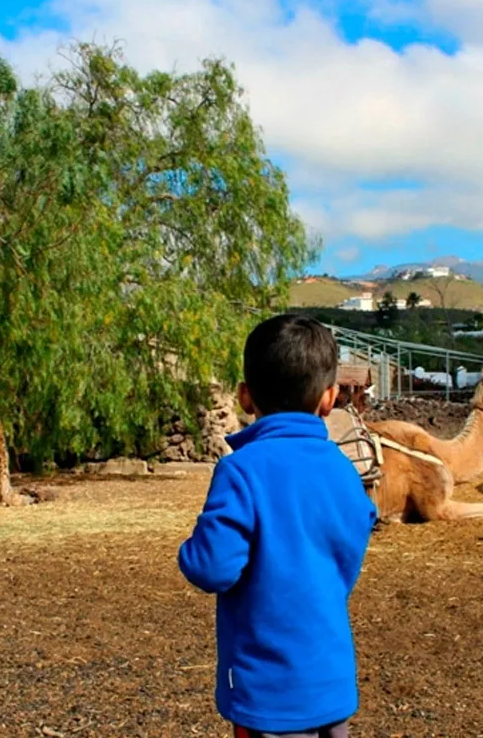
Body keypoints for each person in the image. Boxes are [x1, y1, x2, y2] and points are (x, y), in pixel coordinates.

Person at [178, 313, 378, 738]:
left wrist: (188, 550)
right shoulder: (344, 471)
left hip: (267, 691)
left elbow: (212, 567)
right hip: (331, 681)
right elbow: (359, 528)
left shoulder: (242, 471)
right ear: (330, 397)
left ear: (244, 397)